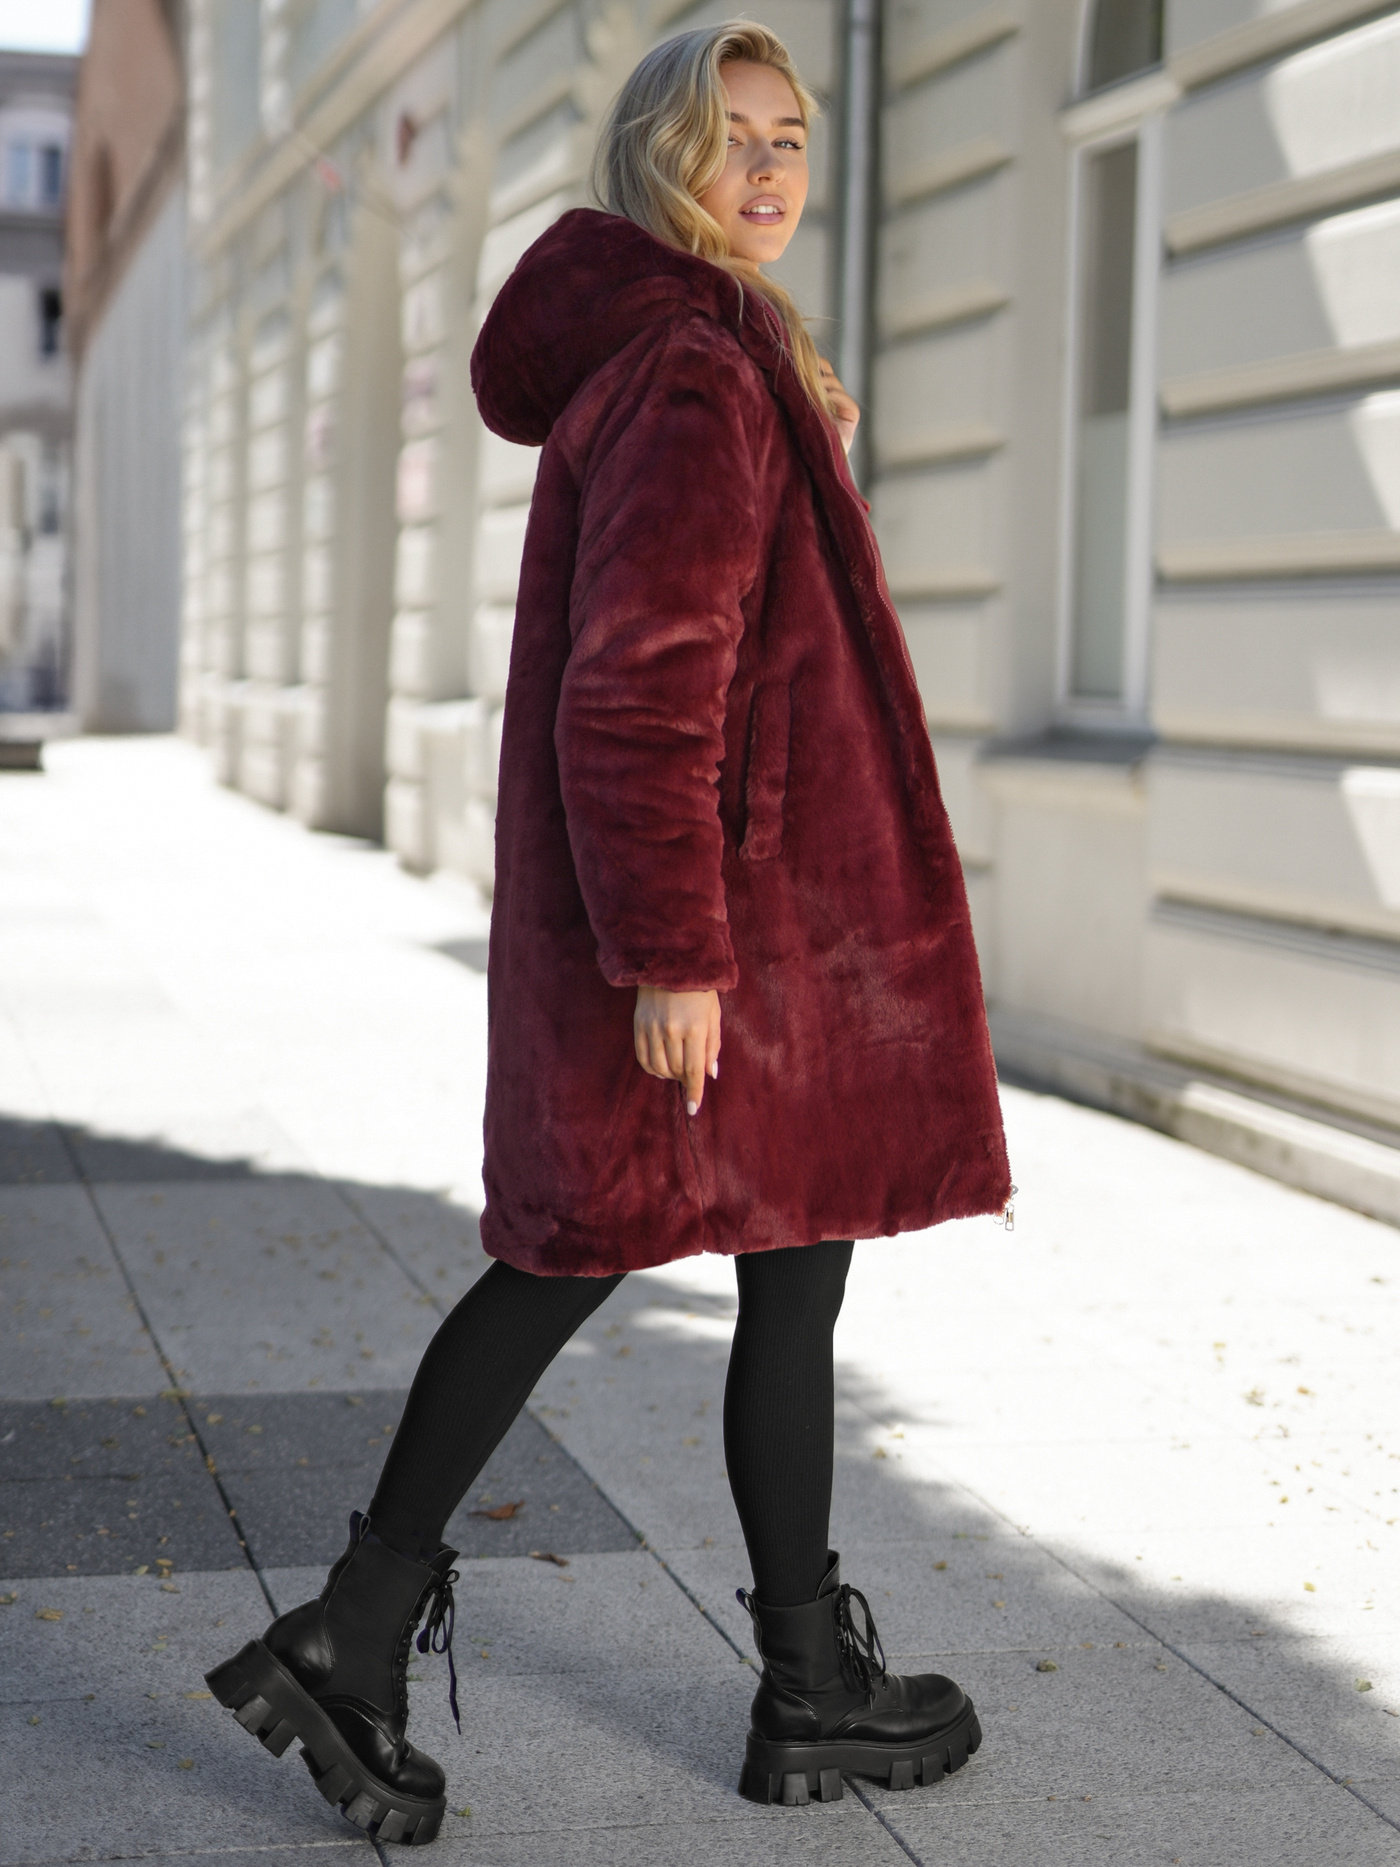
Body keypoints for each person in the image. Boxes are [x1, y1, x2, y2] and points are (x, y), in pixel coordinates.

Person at [205, 21, 1011, 1847]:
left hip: (757, 930)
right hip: (719, 937)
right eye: (731, 136)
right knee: (571, 1253)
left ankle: (803, 1683)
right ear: (660, 156)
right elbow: (640, 688)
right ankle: (354, 1632)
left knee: (784, 1267)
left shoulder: (723, 354)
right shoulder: (695, 369)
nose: (770, 165)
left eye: (790, 134)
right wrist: (673, 950)